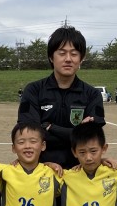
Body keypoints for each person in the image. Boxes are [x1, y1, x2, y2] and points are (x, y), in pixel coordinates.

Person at [17, 26, 105, 169]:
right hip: (41, 168)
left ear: (81, 59)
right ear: (52, 57)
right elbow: (29, 133)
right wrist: (76, 132)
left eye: (74, 54)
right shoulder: (33, 90)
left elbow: (91, 138)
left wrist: (49, 127)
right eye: (62, 53)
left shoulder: (92, 94)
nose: (68, 59)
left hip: (80, 170)